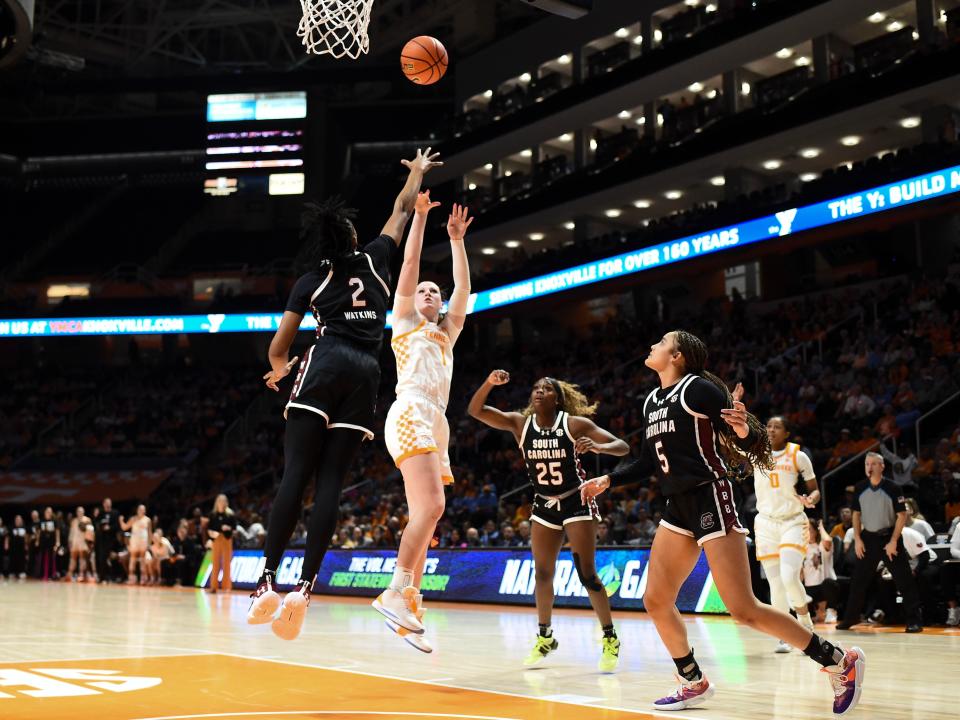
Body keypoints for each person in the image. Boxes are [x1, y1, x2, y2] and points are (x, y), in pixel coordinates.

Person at [581, 330, 864, 715]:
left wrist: (744, 428)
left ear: (676, 355)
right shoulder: (651, 401)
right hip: (676, 505)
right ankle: (692, 680)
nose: (652, 345)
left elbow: (753, 440)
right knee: (656, 599)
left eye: (661, 342)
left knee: (744, 608)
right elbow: (648, 461)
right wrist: (609, 480)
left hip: (709, 495)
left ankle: (837, 660)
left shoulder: (697, 389)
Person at [247, 147, 442, 641]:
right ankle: (304, 590)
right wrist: (417, 172)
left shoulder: (310, 282)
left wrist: (279, 371)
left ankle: (267, 582)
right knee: (330, 481)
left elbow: (278, 349)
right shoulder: (376, 260)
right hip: (366, 373)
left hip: (325, 361)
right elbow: (400, 210)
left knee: (297, 473)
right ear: (354, 237)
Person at [469, 372, 630, 672]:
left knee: (587, 575)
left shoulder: (573, 424)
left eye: (546, 389)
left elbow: (623, 446)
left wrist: (601, 448)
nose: (539, 392)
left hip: (576, 500)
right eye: (535, 387)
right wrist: (489, 383)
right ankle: (545, 638)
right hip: (543, 504)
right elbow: (475, 411)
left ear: (557, 397)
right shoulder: (520, 424)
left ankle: (610, 638)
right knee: (542, 574)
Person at [372, 194, 473, 654]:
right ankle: (395, 591)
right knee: (431, 507)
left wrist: (457, 242)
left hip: (438, 418)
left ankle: (408, 604)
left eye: (438, 291)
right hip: (411, 408)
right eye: (425, 291)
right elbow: (410, 261)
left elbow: (463, 290)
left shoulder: (447, 330)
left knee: (429, 515)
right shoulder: (406, 321)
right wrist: (420, 218)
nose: (431, 294)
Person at [751, 415, 819, 652]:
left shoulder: (798, 456)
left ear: (787, 433)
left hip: (792, 521)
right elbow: (729, 444)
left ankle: (806, 625)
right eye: (768, 426)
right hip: (766, 524)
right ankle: (785, 635)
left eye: (777, 427)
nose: (771, 430)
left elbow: (815, 491)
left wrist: (811, 499)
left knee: (790, 577)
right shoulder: (756, 453)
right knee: (776, 585)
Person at [837, 452, 922, 633]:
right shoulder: (859, 488)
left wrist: (893, 541)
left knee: (904, 580)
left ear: (882, 466)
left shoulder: (893, 487)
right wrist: (858, 539)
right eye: (867, 464)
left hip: (889, 538)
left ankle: (914, 621)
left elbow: (901, 515)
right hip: (868, 538)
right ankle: (850, 618)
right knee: (858, 581)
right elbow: (856, 515)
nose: (870, 467)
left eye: (874, 464)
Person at [802, 519, 840, 624]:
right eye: (804, 529)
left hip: (823, 585)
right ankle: (814, 614)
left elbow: (827, 540)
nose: (806, 532)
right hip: (809, 587)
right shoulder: (801, 548)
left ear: (815, 531)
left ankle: (831, 611)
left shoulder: (821, 545)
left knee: (829, 583)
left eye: (809, 529)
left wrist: (821, 527)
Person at [207, 493, 237, 594]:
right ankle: (213, 587)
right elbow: (209, 529)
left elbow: (235, 530)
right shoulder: (213, 514)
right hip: (216, 540)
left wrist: (228, 528)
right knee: (215, 563)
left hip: (227, 539)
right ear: (217, 502)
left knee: (226, 564)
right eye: (220, 500)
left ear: (226, 502)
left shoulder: (230, 514)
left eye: (223, 501)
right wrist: (210, 534)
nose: (221, 502)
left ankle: (226, 587)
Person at [120, 504, 151, 585]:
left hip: (143, 540)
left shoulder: (148, 520)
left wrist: (149, 543)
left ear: (145, 511)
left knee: (142, 559)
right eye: (140, 509)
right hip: (134, 540)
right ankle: (131, 578)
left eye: (143, 509)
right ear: (137, 510)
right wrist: (121, 521)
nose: (141, 511)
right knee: (133, 558)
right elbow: (124, 527)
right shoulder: (133, 519)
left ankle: (143, 578)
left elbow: (149, 532)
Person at [96, 498, 119, 583]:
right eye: (106, 503)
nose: (108, 504)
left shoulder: (115, 513)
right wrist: (102, 527)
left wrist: (110, 528)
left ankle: (113, 577)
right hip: (102, 540)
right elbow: (97, 523)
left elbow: (117, 526)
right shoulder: (101, 513)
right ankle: (102, 577)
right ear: (103, 504)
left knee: (112, 558)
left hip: (112, 540)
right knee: (102, 558)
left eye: (109, 502)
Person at [67, 506, 92, 582]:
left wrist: (90, 543)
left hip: (83, 541)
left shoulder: (87, 520)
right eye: (78, 511)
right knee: (72, 558)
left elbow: (90, 531)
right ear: (77, 512)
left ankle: (81, 574)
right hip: (75, 541)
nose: (80, 513)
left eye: (81, 511)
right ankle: (70, 574)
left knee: (82, 558)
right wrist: (70, 541)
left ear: (83, 512)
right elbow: (71, 532)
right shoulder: (74, 521)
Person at [37, 507, 60, 582]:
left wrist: (57, 542)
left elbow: (57, 532)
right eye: (47, 511)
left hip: (51, 542)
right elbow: (39, 532)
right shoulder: (41, 521)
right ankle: (43, 575)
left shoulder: (54, 521)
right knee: (43, 558)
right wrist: (37, 541)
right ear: (45, 512)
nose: (48, 513)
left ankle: (51, 575)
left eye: (50, 511)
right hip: (43, 542)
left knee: (51, 558)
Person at [9, 515, 28, 579]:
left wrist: (26, 545)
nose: (18, 521)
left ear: (21, 521)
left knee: (21, 559)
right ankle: (12, 572)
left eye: (19, 520)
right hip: (13, 547)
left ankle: (21, 572)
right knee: (13, 559)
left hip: (21, 547)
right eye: (16, 519)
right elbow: (9, 537)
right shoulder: (12, 528)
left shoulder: (24, 528)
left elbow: (26, 537)